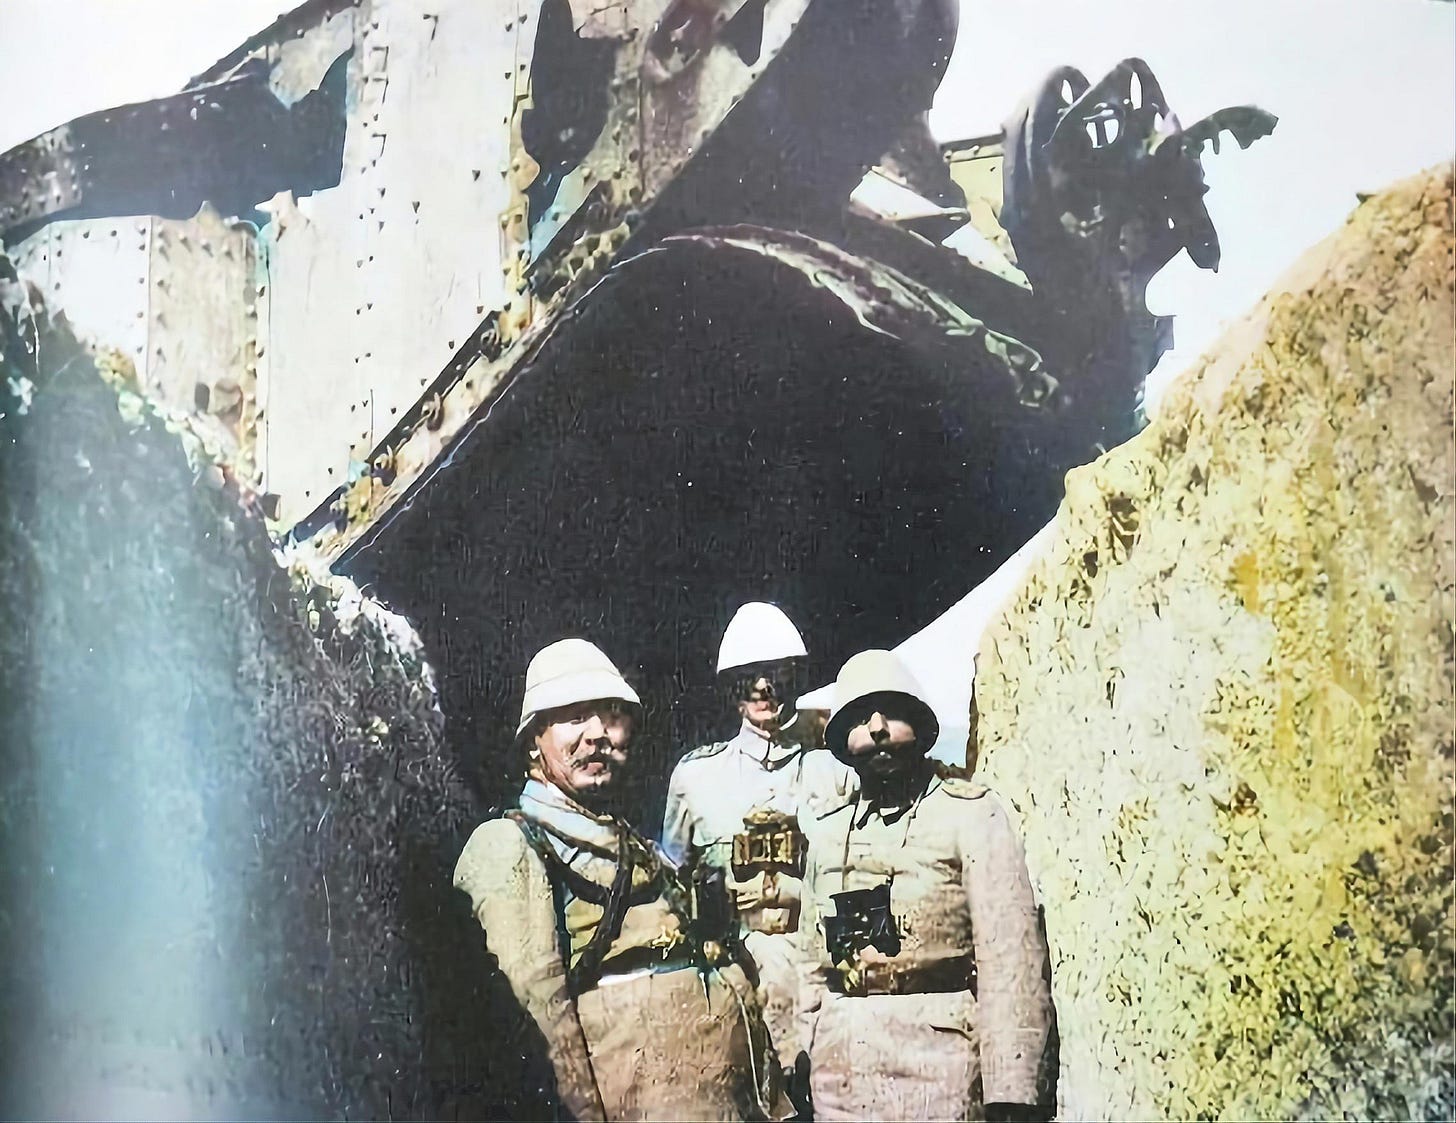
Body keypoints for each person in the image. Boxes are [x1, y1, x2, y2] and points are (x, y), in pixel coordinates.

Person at [454, 638, 790, 1122]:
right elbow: (541, 1020)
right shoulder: (511, 844)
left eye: (611, 715)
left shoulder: (632, 843)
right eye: (573, 717)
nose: (596, 735)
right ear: (534, 740)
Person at [796, 649, 1053, 1122]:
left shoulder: (970, 814)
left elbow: (1009, 959)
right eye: (859, 716)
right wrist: (805, 1053)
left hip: (942, 1066)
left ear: (918, 721)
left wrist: (1009, 1091)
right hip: (843, 1070)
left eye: (891, 711)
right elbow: (812, 966)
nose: (876, 728)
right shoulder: (829, 834)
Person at [661, 603, 855, 1091]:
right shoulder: (695, 778)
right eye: (751, 677)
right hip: (735, 980)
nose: (764, 688)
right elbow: (672, 885)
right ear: (733, 688)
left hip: (818, 981)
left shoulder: (834, 773)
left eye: (776, 673)